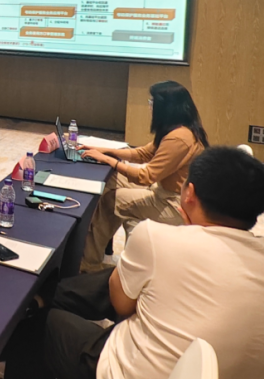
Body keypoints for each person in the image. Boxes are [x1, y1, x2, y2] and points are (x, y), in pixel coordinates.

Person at [0, 146, 264, 379]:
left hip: (127, 377)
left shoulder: (157, 238)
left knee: (46, 325)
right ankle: (44, 296)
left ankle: (33, 308)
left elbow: (121, 305)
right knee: (125, 280)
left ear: (189, 193)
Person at [78, 80, 207, 272]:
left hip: (174, 204)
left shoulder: (178, 138)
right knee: (111, 179)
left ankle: (88, 264)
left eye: (152, 102)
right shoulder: (179, 129)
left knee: (110, 201)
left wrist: (109, 161)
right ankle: (88, 242)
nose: (150, 106)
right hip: (165, 192)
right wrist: (104, 151)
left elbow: (146, 176)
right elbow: (142, 154)